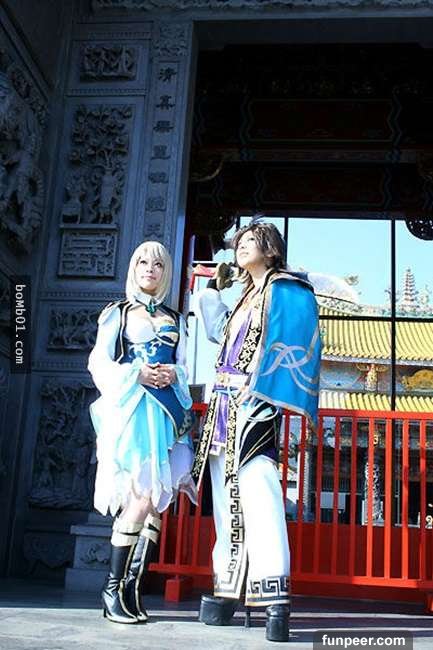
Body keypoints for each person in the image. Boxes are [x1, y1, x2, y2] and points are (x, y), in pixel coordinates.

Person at [191, 222, 321, 642]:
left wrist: (260, 382)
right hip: (223, 406)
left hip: (254, 403)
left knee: (260, 494)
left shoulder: (285, 288)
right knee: (226, 501)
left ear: (271, 248)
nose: (241, 246)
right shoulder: (244, 297)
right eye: (239, 242)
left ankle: (275, 597)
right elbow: (219, 334)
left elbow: (294, 343)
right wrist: (212, 290)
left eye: (250, 241)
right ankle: (228, 588)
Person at [88, 240, 196, 624]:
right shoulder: (116, 313)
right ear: (133, 268)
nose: (150, 268)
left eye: (158, 264)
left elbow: (185, 367)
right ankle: (111, 589)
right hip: (134, 411)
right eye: (143, 262)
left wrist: (174, 374)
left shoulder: (177, 320)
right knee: (141, 494)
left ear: (166, 272)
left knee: (154, 504)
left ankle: (131, 590)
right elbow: (98, 361)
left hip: (166, 415)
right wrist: (136, 373)